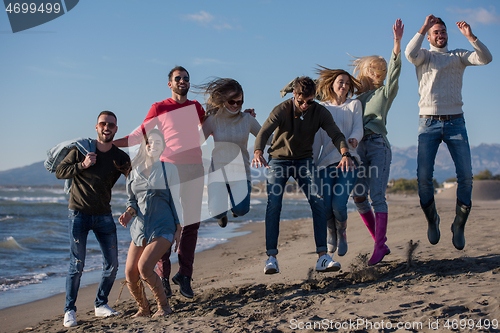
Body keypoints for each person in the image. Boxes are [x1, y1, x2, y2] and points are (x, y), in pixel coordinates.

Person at [114, 66, 205, 299]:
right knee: (165, 224)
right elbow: (138, 136)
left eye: (186, 78)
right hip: (168, 171)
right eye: (178, 79)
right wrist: (108, 144)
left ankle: (185, 276)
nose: (183, 81)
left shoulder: (196, 107)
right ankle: (163, 277)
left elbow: (214, 128)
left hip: (195, 168)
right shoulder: (160, 107)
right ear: (170, 84)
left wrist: (244, 116)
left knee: (191, 225)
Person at [405, 15, 492, 250]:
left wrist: (471, 37)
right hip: (428, 123)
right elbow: (409, 53)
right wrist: (422, 27)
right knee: (424, 178)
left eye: (443, 31)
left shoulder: (459, 55)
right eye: (436, 32)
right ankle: (432, 220)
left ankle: (459, 224)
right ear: (430, 36)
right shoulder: (424, 55)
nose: (440, 35)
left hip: (456, 123)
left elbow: (486, 58)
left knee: (466, 176)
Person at [252, 76, 354, 274]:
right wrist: (258, 152)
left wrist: (345, 154)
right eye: (301, 101)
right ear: (294, 95)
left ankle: (322, 257)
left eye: (310, 101)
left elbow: (336, 134)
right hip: (279, 160)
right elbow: (263, 133)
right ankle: (271, 258)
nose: (305, 105)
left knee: (318, 201)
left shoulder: (319, 111)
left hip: (304, 161)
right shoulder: (281, 109)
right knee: (274, 203)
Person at [55, 111, 131, 328]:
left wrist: (131, 207)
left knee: (112, 264)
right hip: (78, 214)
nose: (107, 127)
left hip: (104, 215)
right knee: (76, 265)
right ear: (96, 127)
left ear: (116, 129)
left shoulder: (120, 157)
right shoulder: (81, 150)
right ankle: (69, 310)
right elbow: (60, 171)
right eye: (103, 124)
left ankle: (101, 304)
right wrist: (83, 165)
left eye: (111, 125)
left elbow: (135, 181)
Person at [352, 19, 404, 265]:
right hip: (358, 148)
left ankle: (379, 246)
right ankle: (380, 244)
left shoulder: (384, 93)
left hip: (377, 146)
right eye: (374, 69)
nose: (378, 73)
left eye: (381, 70)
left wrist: (396, 43)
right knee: (359, 197)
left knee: (377, 196)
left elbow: (394, 74)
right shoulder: (357, 97)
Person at [119, 129, 182, 317]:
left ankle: (164, 306)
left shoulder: (168, 168)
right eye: (150, 142)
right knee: (130, 273)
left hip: (164, 226)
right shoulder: (133, 172)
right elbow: (132, 200)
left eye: (158, 143)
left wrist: (179, 228)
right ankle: (144, 308)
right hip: (139, 228)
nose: (153, 146)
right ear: (144, 146)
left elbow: (176, 200)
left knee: (145, 267)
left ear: (162, 148)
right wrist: (129, 213)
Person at [199, 78, 264, 227]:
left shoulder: (247, 119)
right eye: (231, 101)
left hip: (241, 173)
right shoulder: (213, 120)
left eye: (239, 102)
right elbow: (196, 142)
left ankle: (235, 209)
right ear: (223, 100)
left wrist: (289, 133)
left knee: (241, 210)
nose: (235, 105)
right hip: (218, 174)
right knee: (216, 212)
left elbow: (266, 137)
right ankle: (221, 215)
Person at [312, 68, 363, 258]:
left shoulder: (354, 104)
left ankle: (341, 233)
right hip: (326, 164)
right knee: (325, 206)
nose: (344, 85)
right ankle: (331, 233)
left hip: (348, 161)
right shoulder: (320, 108)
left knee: (339, 204)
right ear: (332, 84)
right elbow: (317, 139)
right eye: (340, 82)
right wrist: (312, 165)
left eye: (347, 83)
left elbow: (358, 127)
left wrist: (354, 139)